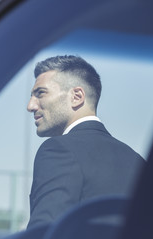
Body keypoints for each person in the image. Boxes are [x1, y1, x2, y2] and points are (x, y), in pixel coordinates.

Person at [26, 55, 144, 228]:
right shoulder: (138, 161)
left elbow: (42, 236)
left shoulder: (58, 150)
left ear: (76, 96)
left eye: (40, 93)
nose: (30, 106)